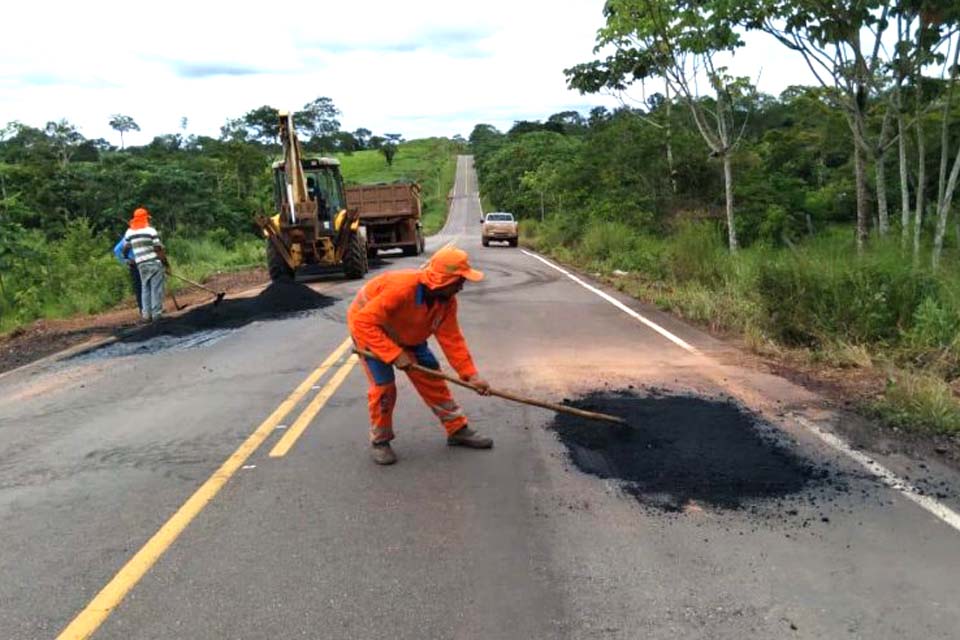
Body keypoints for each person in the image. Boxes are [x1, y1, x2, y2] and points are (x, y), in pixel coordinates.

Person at [347, 246, 493, 465]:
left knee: (432, 377)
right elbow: (363, 322)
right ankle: (380, 441)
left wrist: (471, 375)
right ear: (443, 280)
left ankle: (457, 429)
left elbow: (452, 340)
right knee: (384, 387)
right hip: (372, 333)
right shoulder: (402, 288)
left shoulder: (447, 302)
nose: (462, 286)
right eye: (459, 280)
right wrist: (394, 354)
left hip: (409, 336)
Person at [122, 207, 170, 322]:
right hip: (154, 263)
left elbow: (125, 248)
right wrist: (166, 264)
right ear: (145, 218)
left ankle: (146, 315)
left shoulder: (129, 232)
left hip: (141, 264)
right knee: (156, 289)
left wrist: (127, 257)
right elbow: (158, 249)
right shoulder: (150, 231)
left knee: (145, 288)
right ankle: (156, 314)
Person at [112, 232, 142, 314]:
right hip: (135, 264)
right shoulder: (128, 237)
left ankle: (147, 309)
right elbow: (116, 250)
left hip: (140, 263)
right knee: (140, 287)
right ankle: (143, 309)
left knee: (143, 287)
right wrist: (126, 261)